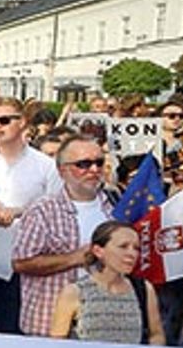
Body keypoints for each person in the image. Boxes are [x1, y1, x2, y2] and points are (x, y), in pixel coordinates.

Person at [0, 96, 63, 333]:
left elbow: (57, 210)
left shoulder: (45, 165)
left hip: (29, 269)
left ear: (23, 123)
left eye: (5, 120)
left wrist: (19, 212)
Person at [12, 135, 114, 337]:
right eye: (83, 164)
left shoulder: (115, 205)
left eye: (99, 163)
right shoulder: (43, 210)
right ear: (62, 171)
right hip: (49, 324)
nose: (93, 170)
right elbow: (21, 263)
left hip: (103, 322)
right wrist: (75, 258)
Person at [49, 222, 164, 345]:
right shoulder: (74, 292)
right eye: (123, 246)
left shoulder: (144, 289)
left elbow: (156, 334)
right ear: (98, 251)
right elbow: (58, 341)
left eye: (136, 248)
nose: (132, 254)